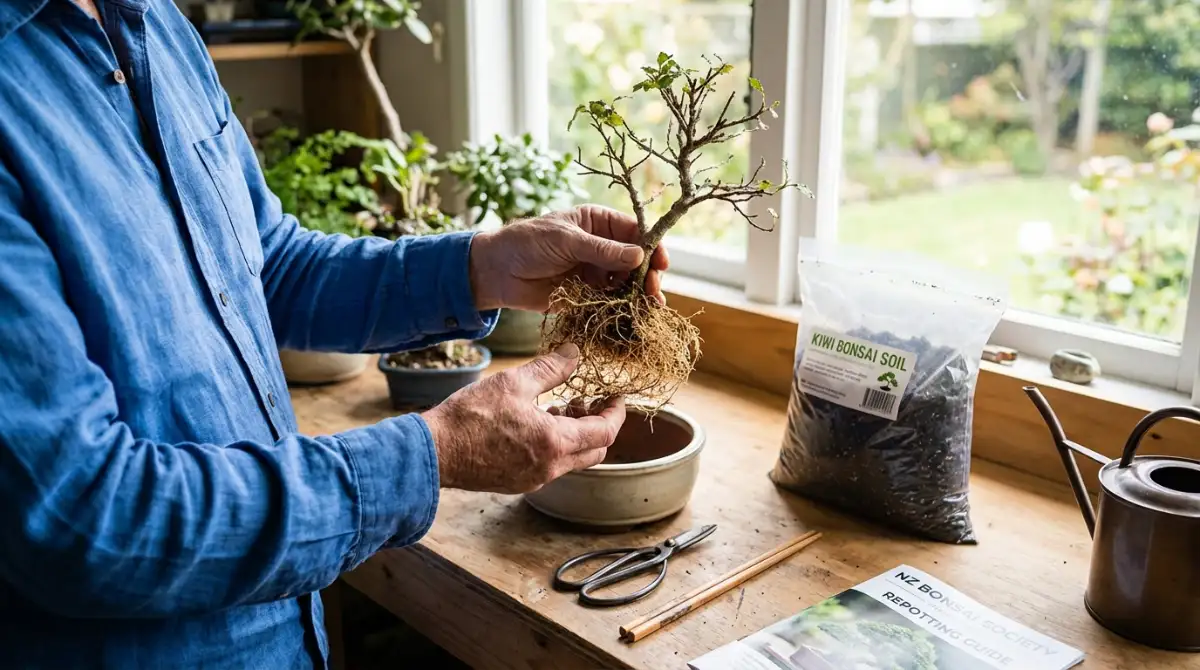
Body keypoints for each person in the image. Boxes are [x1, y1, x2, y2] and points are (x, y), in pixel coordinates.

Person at [0, 0, 668, 666]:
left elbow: (266, 266)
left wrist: (479, 267)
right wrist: (433, 456)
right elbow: (80, 518)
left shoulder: (156, 25)